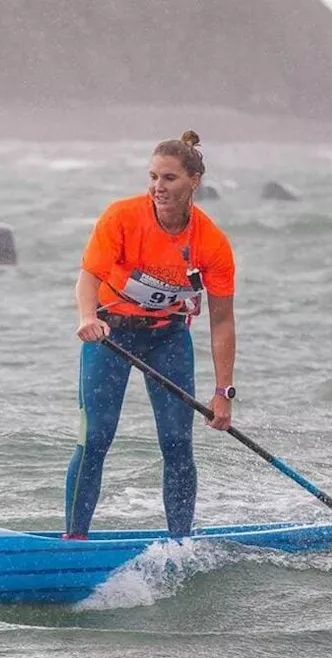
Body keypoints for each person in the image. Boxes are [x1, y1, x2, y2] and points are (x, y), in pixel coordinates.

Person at [64, 130, 236, 539]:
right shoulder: (122, 217)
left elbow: (223, 321)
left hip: (168, 339)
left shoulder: (211, 243)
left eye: (169, 178)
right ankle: (74, 541)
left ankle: (181, 543)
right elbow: (89, 276)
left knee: (177, 443)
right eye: (153, 177)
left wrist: (223, 392)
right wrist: (88, 317)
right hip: (109, 336)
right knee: (96, 439)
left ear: (194, 181)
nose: (158, 187)